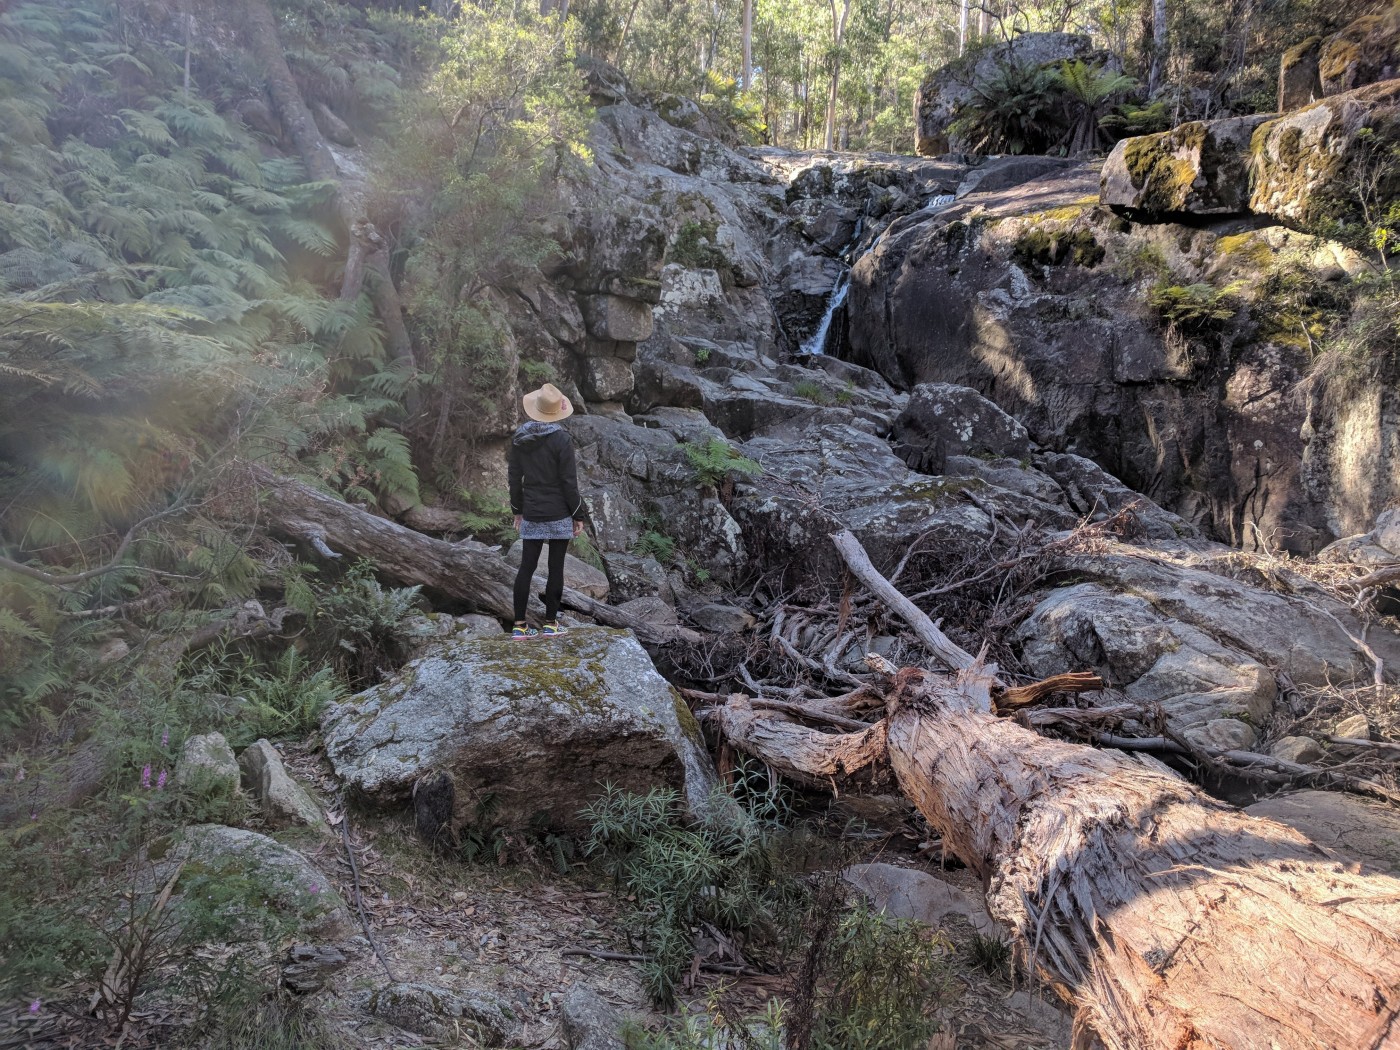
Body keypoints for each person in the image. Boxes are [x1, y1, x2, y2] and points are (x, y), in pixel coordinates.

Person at [507, 383, 589, 639]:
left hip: (532, 510)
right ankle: (551, 624)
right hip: (559, 512)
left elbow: (514, 479)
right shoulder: (562, 440)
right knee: (556, 568)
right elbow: (568, 483)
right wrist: (578, 514)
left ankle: (519, 626)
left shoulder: (520, 439)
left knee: (526, 568)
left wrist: (517, 510)